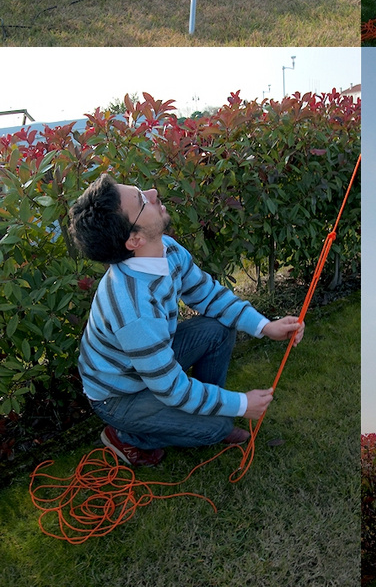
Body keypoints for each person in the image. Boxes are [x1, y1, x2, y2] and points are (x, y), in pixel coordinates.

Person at [68, 173, 304, 468]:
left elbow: (209, 296)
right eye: (142, 200)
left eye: (142, 191)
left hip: (148, 369)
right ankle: (127, 436)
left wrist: (266, 326)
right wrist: (242, 403)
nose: (153, 192)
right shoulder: (132, 307)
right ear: (134, 239)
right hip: (119, 395)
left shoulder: (167, 249)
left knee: (219, 326)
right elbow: (171, 388)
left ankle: (207, 412)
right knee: (215, 430)